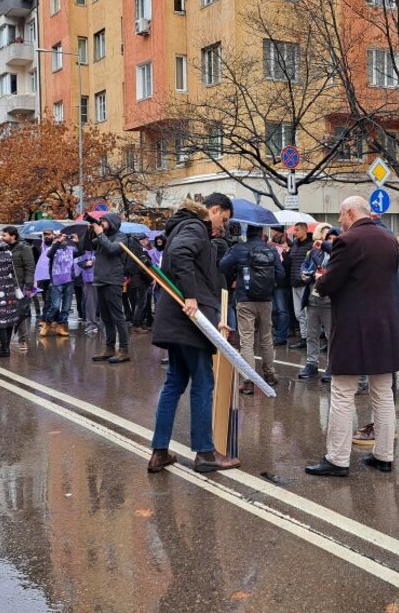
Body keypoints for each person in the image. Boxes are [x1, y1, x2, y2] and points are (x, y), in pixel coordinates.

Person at [304, 196, 399, 476]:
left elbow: (332, 281)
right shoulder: (388, 239)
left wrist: (320, 280)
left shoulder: (348, 241)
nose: (339, 221)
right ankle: (384, 456)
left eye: (340, 215)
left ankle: (337, 459)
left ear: (350, 212)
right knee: (383, 393)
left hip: (354, 326)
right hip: (385, 324)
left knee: (343, 391)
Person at [147, 194, 240, 474]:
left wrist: (215, 319)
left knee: (174, 382)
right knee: (202, 383)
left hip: (182, 320)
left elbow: (201, 281)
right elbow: (180, 256)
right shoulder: (195, 227)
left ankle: (160, 451)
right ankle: (205, 453)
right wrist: (191, 298)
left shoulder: (184, 227)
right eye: (222, 219)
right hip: (189, 322)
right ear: (213, 210)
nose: (221, 227)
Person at [220, 224, 285, 395]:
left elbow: (222, 266)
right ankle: (270, 374)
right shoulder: (270, 251)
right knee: (266, 338)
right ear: (262, 233)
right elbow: (281, 274)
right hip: (266, 300)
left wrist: (237, 274)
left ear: (246, 233)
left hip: (245, 299)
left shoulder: (238, 249)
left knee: (247, 341)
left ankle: (248, 381)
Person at [90, 214, 131, 363]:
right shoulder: (103, 237)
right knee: (105, 317)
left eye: (104, 221)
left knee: (118, 317)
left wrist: (100, 234)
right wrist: (90, 231)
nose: (101, 223)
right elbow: (86, 246)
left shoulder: (121, 237)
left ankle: (124, 349)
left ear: (112, 223)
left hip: (113, 281)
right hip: (100, 280)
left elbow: (113, 249)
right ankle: (109, 347)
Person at [298, 225, 335, 381]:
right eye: (327, 238)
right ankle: (311, 364)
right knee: (311, 335)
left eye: (333, 239)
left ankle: (331, 367)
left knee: (330, 336)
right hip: (313, 300)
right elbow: (304, 266)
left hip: (330, 301)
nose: (330, 242)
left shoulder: (338, 255)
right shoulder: (313, 253)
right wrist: (306, 274)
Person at [1, 226, 36, 353]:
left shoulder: (24, 248)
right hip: (5, 285)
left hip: (20, 286)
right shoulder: (3, 248)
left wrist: (28, 286)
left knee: (20, 314)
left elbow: (30, 268)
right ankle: (1, 341)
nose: (2, 238)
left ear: (13, 236)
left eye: (4, 235)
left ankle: (23, 340)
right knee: (3, 313)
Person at [43, 232, 79, 337]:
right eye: (62, 237)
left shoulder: (71, 248)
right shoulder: (54, 247)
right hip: (57, 280)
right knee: (55, 306)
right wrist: (57, 242)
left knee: (66, 307)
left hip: (69, 280)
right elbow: (49, 255)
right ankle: (47, 323)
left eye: (66, 237)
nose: (64, 239)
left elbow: (80, 252)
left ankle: (61, 326)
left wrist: (77, 243)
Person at [285, 222, 314, 348]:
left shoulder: (311, 245)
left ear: (305, 230)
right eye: (294, 230)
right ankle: (304, 337)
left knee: (306, 313)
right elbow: (290, 261)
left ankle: (308, 339)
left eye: (297, 230)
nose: (294, 233)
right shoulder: (295, 245)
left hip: (305, 283)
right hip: (294, 282)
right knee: (299, 313)